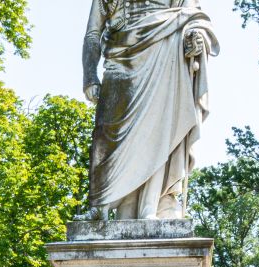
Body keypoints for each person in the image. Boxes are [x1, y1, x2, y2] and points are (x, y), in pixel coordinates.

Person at [81, 0, 219, 220]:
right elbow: (93, 32)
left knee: (157, 132)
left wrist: (195, 38)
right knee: (106, 137)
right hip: (119, 60)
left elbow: (193, 15)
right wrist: (89, 75)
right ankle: (102, 205)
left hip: (163, 54)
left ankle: (151, 206)